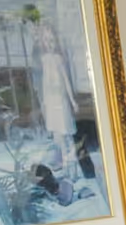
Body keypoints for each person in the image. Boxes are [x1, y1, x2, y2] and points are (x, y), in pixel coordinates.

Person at [37, 25, 78, 172]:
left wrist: (72, 100)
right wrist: (44, 101)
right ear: (43, 42)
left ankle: (71, 160)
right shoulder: (44, 59)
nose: (50, 44)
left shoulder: (59, 58)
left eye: (52, 41)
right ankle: (61, 159)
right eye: (47, 41)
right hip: (51, 98)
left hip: (61, 98)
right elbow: (44, 81)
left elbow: (66, 80)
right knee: (56, 132)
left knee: (65, 129)